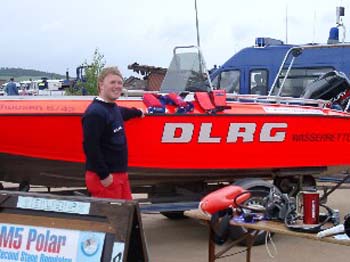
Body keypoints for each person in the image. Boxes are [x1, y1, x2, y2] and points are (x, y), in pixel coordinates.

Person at [82, 67, 144, 200]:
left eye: (120, 83)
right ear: (101, 85)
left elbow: (122, 112)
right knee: (111, 219)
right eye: (112, 82)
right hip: (105, 178)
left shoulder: (111, 107)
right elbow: (90, 147)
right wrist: (104, 176)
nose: (117, 86)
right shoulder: (95, 113)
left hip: (120, 175)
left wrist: (138, 112)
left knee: (126, 217)